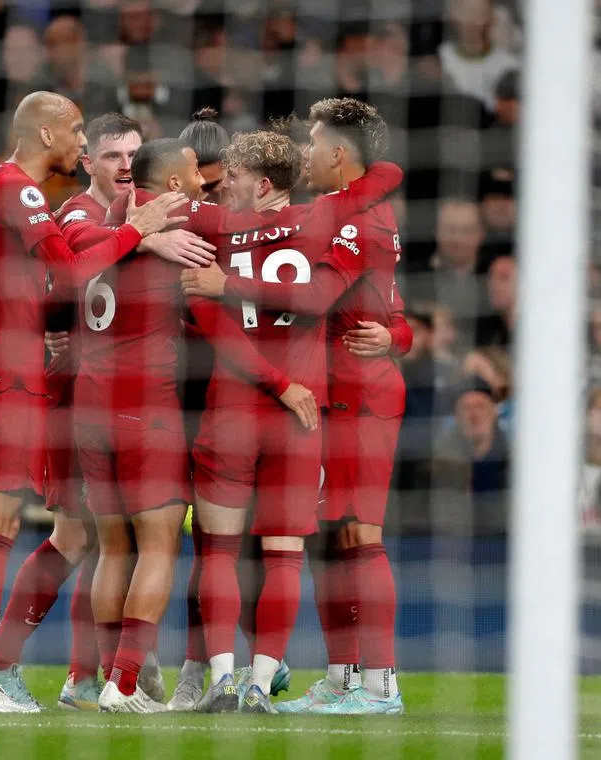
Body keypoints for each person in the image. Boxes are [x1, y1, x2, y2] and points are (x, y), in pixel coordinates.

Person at [0, 91, 188, 714]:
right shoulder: (23, 191)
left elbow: (45, 274)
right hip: (8, 375)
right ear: (46, 135)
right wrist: (139, 229)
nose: (80, 144)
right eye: (78, 133)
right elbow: (73, 273)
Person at [182, 97, 410, 715]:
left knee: (360, 536)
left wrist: (225, 283)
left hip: (355, 395)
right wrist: (401, 335)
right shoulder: (329, 213)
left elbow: (325, 297)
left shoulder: (358, 220)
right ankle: (340, 677)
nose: (305, 152)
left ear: (339, 153)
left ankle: (380, 683)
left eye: (313, 141)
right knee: (327, 543)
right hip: (319, 395)